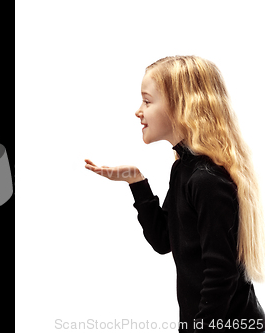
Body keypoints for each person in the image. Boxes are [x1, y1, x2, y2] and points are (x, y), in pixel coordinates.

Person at [85, 56, 265, 332]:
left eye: (147, 101)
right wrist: (136, 181)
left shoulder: (207, 179)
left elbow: (220, 275)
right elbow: (163, 240)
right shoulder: (183, 170)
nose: (138, 111)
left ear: (181, 107)